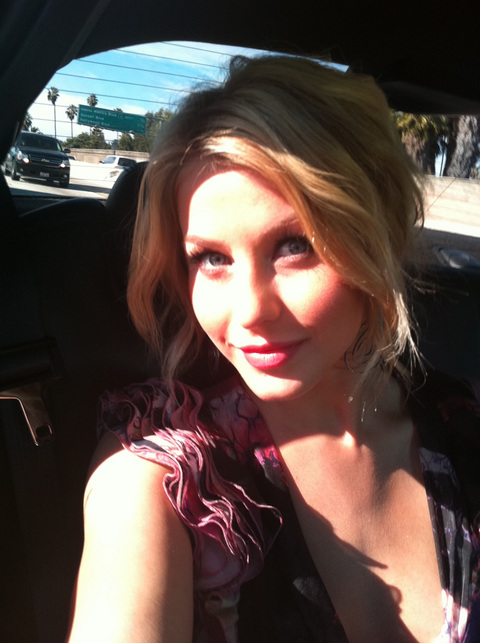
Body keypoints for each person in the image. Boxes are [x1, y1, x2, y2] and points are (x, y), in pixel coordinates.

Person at [67, 55, 480, 642]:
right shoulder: (162, 475)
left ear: (378, 233)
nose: (251, 310)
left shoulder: (464, 424)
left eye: (294, 246)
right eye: (212, 258)